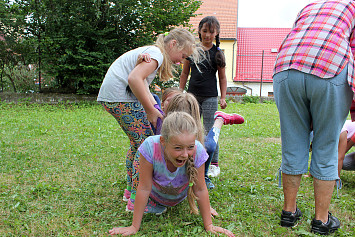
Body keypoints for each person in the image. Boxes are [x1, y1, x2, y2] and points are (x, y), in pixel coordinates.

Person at [272, 1, 355, 235]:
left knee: (293, 143)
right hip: (330, 66)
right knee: (327, 146)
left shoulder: (309, 7)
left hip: (286, 66)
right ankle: (321, 220)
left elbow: (297, 34)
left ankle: (288, 213)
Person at [97, 28, 204, 203]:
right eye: (183, 55)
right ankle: (135, 198)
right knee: (145, 148)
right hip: (120, 98)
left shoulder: (153, 54)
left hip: (115, 98)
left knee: (137, 144)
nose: (181, 62)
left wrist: (155, 107)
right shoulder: (157, 54)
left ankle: (130, 190)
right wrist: (149, 109)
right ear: (173, 44)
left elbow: (143, 86)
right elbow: (134, 79)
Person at [108, 112, 235, 237]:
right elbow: (144, 187)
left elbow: (200, 189)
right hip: (154, 199)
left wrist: (209, 225)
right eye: (178, 148)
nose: (185, 154)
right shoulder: (150, 146)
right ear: (163, 141)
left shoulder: (198, 151)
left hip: (180, 198)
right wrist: (134, 226)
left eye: (190, 147)